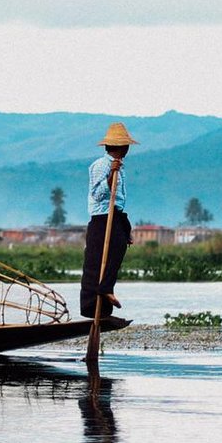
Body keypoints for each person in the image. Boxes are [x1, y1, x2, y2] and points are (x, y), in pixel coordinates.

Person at [80, 122, 137, 318]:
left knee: (119, 247)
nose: (127, 150)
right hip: (102, 216)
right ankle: (97, 297)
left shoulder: (119, 167)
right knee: (97, 260)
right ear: (120, 147)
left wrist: (124, 228)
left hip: (116, 215)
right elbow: (97, 194)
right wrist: (111, 173)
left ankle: (105, 297)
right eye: (125, 146)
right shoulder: (101, 165)